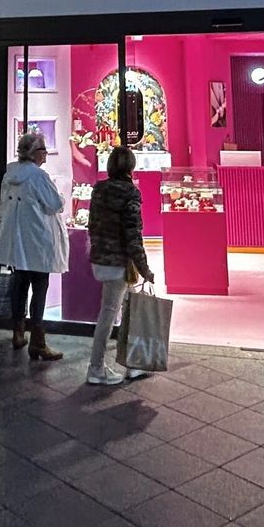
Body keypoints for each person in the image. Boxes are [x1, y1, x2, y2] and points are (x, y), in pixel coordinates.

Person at [0, 132, 69, 361]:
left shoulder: (11, 173)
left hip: (16, 237)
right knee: (39, 285)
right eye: (43, 150)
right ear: (35, 153)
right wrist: (62, 199)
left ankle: (18, 332)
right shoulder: (38, 176)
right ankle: (38, 340)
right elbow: (54, 203)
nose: (46, 154)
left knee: (20, 282)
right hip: (37, 238)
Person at [87, 146, 157, 385]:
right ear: (131, 167)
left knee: (123, 309)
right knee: (109, 313)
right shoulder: (130, 194)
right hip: (118, 261)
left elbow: (93, 224)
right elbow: (133, 235)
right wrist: (145, 268)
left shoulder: (99, 189)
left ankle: (132, 362)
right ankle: (96, 367)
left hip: (101, 257)